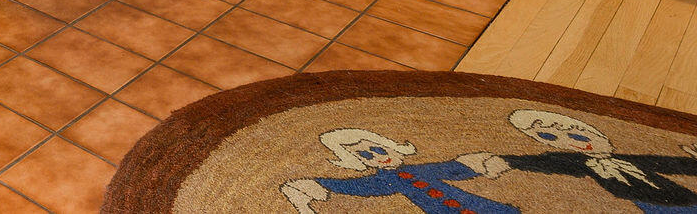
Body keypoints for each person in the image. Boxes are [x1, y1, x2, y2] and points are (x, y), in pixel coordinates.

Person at [482, 109, 697, 211]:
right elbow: (547, 162)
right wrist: (507, 161)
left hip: (683, 200)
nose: (574, 144)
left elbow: (674, 164)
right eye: (548, 137)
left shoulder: (631, 158)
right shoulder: (579, 162)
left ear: (597, 133)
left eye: (579, 136)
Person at [279, 128, 518, 213]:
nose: (377, 157)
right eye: (364, 155)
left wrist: (477, 164)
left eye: (377, 149)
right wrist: (320, 184)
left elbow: (451, 168)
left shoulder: (421, 169)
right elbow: (358, 187)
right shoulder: (384, 181)